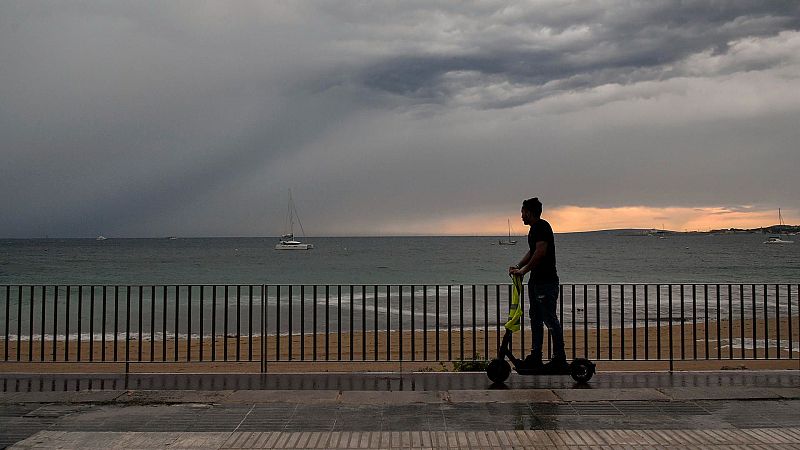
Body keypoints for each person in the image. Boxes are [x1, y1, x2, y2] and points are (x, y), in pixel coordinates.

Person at [508, 197, 567, 371]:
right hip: (536, 282)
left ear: (529, 212)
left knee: (549, 318)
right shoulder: (534, 229)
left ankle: (559, 358)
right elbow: (532, 251)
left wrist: (523, 271)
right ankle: (536, 356)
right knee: (535, 318)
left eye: (522, 212)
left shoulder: (542, 227)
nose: (521, 216)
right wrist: (518, 266)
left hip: (546, 282)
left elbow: (540, 253)